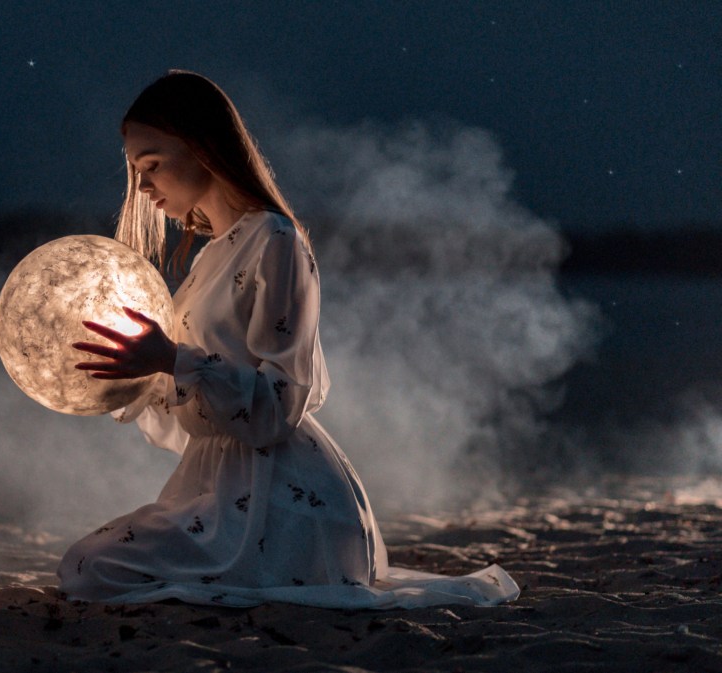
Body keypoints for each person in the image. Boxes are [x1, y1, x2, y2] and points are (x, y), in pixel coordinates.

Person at [57, 71, 519, 608]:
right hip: (220, 482)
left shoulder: (276, 240)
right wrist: (141, 370)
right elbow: (195, 399)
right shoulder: (213, 252)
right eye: (135, 170)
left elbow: (281, 401)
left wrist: (174, 359)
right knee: (87, 565)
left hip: (281, 496)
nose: (141, 186)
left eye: (152, 165)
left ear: (204, 148)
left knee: (92, 570)